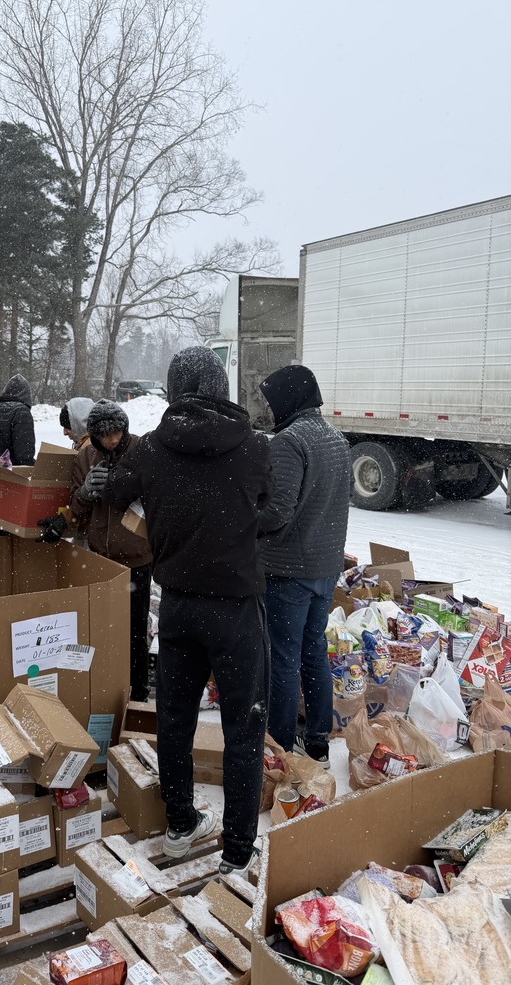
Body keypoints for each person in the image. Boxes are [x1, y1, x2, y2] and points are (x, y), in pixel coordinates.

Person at [104, 346, 272, 877]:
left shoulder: (152, 448)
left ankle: (179, 825)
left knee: (174, 722)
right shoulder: (254, 447)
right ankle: (238, 852)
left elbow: (116, 494)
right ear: (220, 386)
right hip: (237, 610)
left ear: (175, 389)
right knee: (243, 731)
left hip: (177, 605)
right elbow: (270, 510)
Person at [257, 364, 352, 767]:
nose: (269, 408)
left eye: (271, 400)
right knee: (313, 651)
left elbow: (278, 510)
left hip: (289, 571)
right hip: (325, 567)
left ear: (288, 399)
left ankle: (279, 744)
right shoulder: (337, 440)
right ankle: (317, 741)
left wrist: (243, 520)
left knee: (283, 656)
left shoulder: (288, 442)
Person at [69, 399, 153, 702]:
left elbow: (157, 498)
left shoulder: (142, 451)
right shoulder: (86, 457)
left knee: (133, 633)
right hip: (99, 557)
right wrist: (85, 492)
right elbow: (75, 510)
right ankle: (105, 688)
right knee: (101, 630)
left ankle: (138, 692)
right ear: (94, 435)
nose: (112, 440)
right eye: (105, 435)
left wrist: (123, 485)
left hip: (137, 558)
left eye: (117, 433)